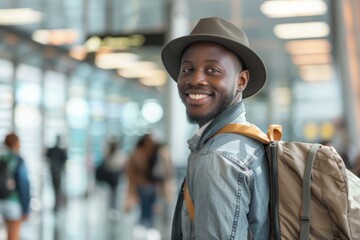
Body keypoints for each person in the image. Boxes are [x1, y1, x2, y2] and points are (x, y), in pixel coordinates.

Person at [161, 17, 269, 239]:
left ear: (241, 81)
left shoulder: (218, 158)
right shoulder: (251, 143)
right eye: (188, 69)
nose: (196, 79)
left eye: (212, 70)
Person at [124, 133, 175, 229]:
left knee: (151, 209)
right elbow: (132, 172)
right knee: (145, 209)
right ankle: (144, 227)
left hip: (153, 186)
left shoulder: (159, 152)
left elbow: (167, 171)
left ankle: (147, 228)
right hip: (144, 185)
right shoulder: (140, 153)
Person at [0, 133, 31, 240]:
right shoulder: (17, 159)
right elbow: (24, 185)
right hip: (13, 202)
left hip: (1, 201)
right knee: (13, 236)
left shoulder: (1, 157)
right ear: (16, 143)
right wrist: (26, 209)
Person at [45, 135, 67, 212]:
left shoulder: (53, 150)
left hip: (54, 171)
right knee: (57, 189)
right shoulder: (59, 150)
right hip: (57, 172)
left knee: (56, 189)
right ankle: (56, 205)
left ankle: (57, 205)